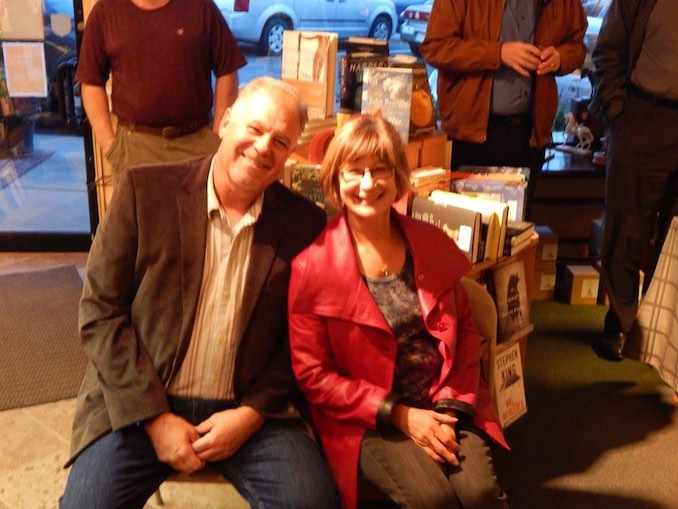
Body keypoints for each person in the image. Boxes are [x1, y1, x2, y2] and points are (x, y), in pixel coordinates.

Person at [60, 77, 339, 509]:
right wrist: (154, 419)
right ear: (225, 121)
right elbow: (100, 313)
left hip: (250, 412)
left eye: (280, 141)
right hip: (140, 405)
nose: (264, 146)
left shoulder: (305, 224)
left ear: (288, 155)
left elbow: (302, 338)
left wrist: (250, 416)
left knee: (315, 502)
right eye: (255, 128)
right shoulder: (143, 192)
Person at [288, 115, 509, 509]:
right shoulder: (311, 267)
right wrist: (401, 415)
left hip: (443, 400)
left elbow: (468, 332)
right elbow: (313, 376)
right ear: (335, 180)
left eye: (380, 171)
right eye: (354, 171)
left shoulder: (431, 241)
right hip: (369, 416)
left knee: (480, 496)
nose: (369, 184)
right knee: (432, 499)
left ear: (397, 177)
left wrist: (447, 407)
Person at [420, 0, 587, 219]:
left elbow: (577, 46)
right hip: (473, 135)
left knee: (517, 233)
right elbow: (435, 47)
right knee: (467, 229)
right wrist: (498, 53)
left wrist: (560, 58)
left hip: (529, 136)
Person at [588, 0, 678, 361]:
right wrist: (617, 112)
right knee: (627, 227)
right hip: (642, 115)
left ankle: (658, 332)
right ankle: (621, 324)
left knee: (675, 237)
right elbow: (607, 51)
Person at [75, 0, 247, 178]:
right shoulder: (105, 12)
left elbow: (227, 68)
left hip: (199, 144)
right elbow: (90, 82)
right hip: (135, 150)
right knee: (138, 207)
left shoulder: (201, 7)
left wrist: (218, 134)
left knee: (203, 206)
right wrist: (109, 145)